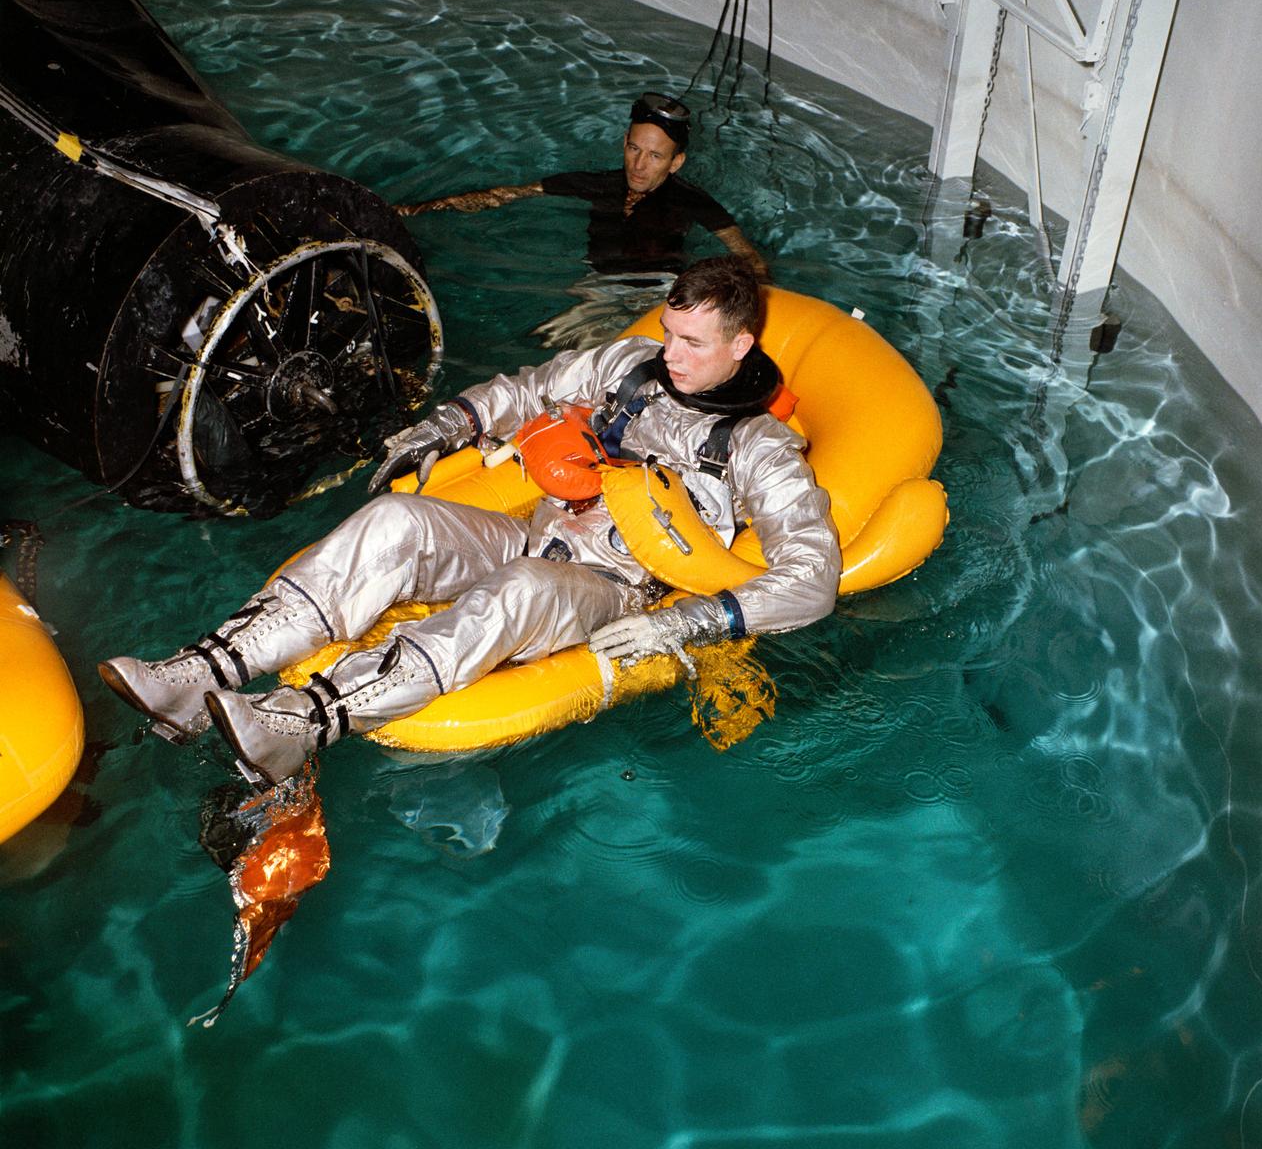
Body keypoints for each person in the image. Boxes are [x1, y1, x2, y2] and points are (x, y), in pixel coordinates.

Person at [99, 258, 838, 789]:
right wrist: (441, 426)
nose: (669, 353)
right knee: (394, 521)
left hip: (615, 586)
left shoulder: (758, 447)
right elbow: (531, 389)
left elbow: (812, 582)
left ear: (741, 346)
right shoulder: (632, 363)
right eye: (669, 332)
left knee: (518, 590)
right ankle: (200, 672)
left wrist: (684, 626)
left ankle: (304, 721)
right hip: (539, 530)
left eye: (692, 343)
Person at [398, 93, 768, 350]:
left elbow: (747, 256)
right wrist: (422, 209)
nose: (639, 165)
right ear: (624, 142)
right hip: (599, 287)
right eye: (634, 149)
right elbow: (510, 193)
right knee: (549, 349)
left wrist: (756, 312)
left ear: (676, 162)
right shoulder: (598, 184)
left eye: (655, 156)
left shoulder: (693, 201)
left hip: (660, 295)